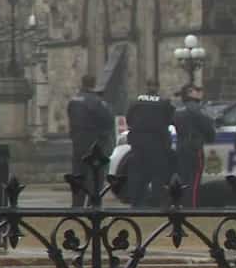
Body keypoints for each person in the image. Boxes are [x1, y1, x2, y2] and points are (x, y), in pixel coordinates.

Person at [125, 78, 176, 208]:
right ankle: (155, 202)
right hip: (157, 143)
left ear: (147, 87)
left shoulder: (136, 102)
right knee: (157, 174)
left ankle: (136, 202)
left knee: (137, 173)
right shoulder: (164, 103)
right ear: (157, 87)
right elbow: (170, 120)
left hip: (138, 143)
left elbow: (129, 119)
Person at [66, 74, 114, 207]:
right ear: (93, 84)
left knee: (78, 173)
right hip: (94, 142)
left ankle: (77, 204)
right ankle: (93, 203)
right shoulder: (97, 101)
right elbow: (108, 120)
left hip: (78, 141)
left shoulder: (73, 100)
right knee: (95, 174)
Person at [173, 83, 216, 208]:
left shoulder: (178, 109)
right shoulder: (197, 109)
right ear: (190, 93)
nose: (199, 92)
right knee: (194, 179)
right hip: (194, 147)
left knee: (183, 178)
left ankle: (180, 204)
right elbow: (208, 128)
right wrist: (210, 138)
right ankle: (191, 206)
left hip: (181, 146)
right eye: (196, 90)